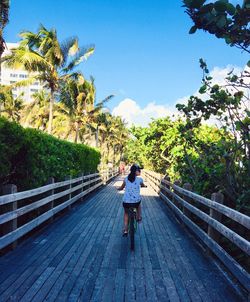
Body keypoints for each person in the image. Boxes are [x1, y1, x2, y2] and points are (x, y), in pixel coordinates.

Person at [117, 164, 147, 236]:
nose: (140, 171)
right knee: (138, 205)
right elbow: (143, 185)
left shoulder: (126, 179)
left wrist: (118, 189)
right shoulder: (140, 179)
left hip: (126, 202)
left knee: (126, 213)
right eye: (139, 170)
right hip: (136, 202)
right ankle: (139, 217)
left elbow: (121, 187)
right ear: (136, 171)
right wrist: (144, 186)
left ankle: (126, 230)